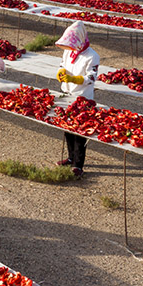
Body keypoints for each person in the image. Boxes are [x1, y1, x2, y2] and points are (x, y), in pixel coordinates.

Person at [55, 22, 100, 178]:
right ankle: (70, 158)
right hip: (67, 94)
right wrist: (61, 71)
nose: (70, 47)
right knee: (67, 129)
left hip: (83, 97)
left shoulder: (92, 56)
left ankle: (78, 165)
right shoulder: (69, 52)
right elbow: (63, 63)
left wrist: (75, 79)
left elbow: (92, 77)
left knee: (80, 132)